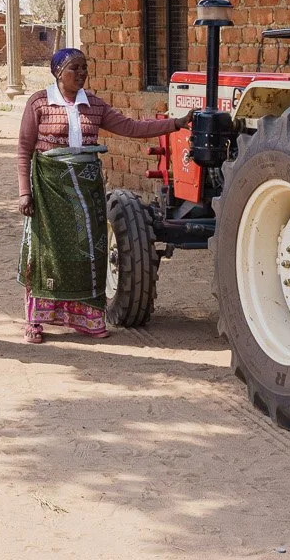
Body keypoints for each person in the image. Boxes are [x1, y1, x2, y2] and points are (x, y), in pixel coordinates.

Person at [16, 48, 182, 344]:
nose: (81, 74)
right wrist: (24, 193)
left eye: (84, 68)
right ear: (57, 72)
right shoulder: (39, 102)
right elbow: (24, 150)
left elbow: (132, 127)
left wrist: (175, 124)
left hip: (86, 191)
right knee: (46, 254)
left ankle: (87, 319)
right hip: (49, 191)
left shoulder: (93, 104)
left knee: (88, 251)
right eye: (74, 68)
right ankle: (36, 321)